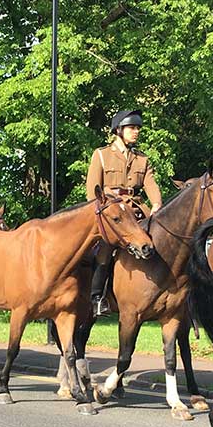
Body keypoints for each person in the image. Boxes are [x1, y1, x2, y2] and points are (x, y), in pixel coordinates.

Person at [85, 109, 162, 316]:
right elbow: (92, 191)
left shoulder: (142, 159)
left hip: (136, 211)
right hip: (111, 213)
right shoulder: (101, 155)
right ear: (118, 130)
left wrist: (156, 203)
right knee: (104, 249)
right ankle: (97, 298)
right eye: (131, 128)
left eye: (137, 128)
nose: (136, 132)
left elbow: (150, 184)